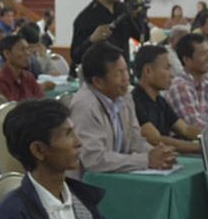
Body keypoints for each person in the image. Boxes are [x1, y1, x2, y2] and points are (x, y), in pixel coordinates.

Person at [68, 42, 176, 175]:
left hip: (116, 178)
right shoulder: (85, 105)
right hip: (88, 185)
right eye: (119, 73)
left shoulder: (124, 97)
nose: (127, 78)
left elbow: (135, 140)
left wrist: (159, 154)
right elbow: (94, 160)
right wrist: (146, 160)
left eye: (126, 70)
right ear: (98, 82)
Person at [70, 0, 147, 65]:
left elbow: (144, 36)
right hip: (100, 77)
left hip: (123, 73)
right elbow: (76, 56)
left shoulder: (124, 10)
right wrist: (91, 40)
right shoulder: (85, 18)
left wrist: (138, 17)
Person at [132, 45, 200, 154]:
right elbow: (155, 140)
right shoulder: (134, 102)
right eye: (167, 68)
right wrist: (201, 147)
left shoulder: (160, 101)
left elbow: (185, 129)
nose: (172, 75)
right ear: (148, 71)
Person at [0, 34, 44, 102]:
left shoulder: (29, 77)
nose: (28, 53)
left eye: (27, 49)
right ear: (7, 54)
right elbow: (9, 109)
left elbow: (41, 101)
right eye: (22, 49)